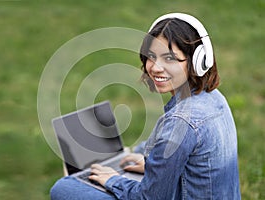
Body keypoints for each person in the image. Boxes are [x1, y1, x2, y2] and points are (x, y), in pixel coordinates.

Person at [50, 13, 241, 199]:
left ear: (198, 62)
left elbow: (150, 197)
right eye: (151, 56)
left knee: (64, 187)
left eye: (169, 58)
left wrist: (113, 180)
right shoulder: (214, 97)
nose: (155, 67)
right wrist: (150, 165)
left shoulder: (181, 122)